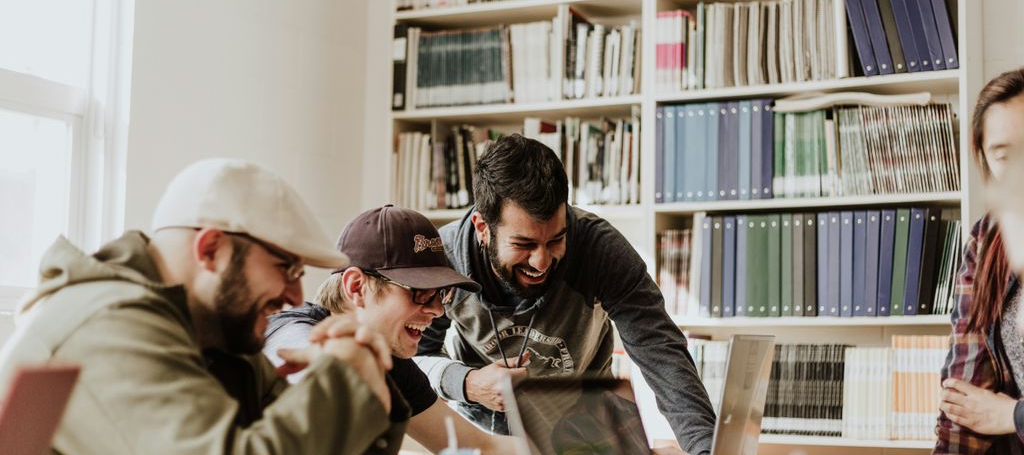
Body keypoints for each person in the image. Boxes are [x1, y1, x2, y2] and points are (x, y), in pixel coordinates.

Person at [0, 159, 406, 454]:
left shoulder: (215, 335)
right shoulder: (110, 325)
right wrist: (341, 378)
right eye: (286, 267)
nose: (297, 297)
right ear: (211, 249)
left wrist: (367, 374)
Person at [414, 134, 716, 454]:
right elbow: (413, 358)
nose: (541, 261)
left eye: (556, 239)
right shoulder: (444, 260)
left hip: (589, 428)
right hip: (486, 434)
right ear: (482, 228)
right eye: (524, 244)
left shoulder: (599, 249)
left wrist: (706, 447)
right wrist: (466, 383)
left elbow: (661, 350)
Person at [263, 205, 516, 454]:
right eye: (421, 292)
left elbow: (483, 447)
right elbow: (310, 367)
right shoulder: (291, 332)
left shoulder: (391, 360)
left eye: (442, 293)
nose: (438, 310)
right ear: (356, 287)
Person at [935, 68, 1024, 453]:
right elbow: (965, 397)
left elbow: (996, 414)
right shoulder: (988, 239)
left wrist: (1013, 416)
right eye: (1005, 156)